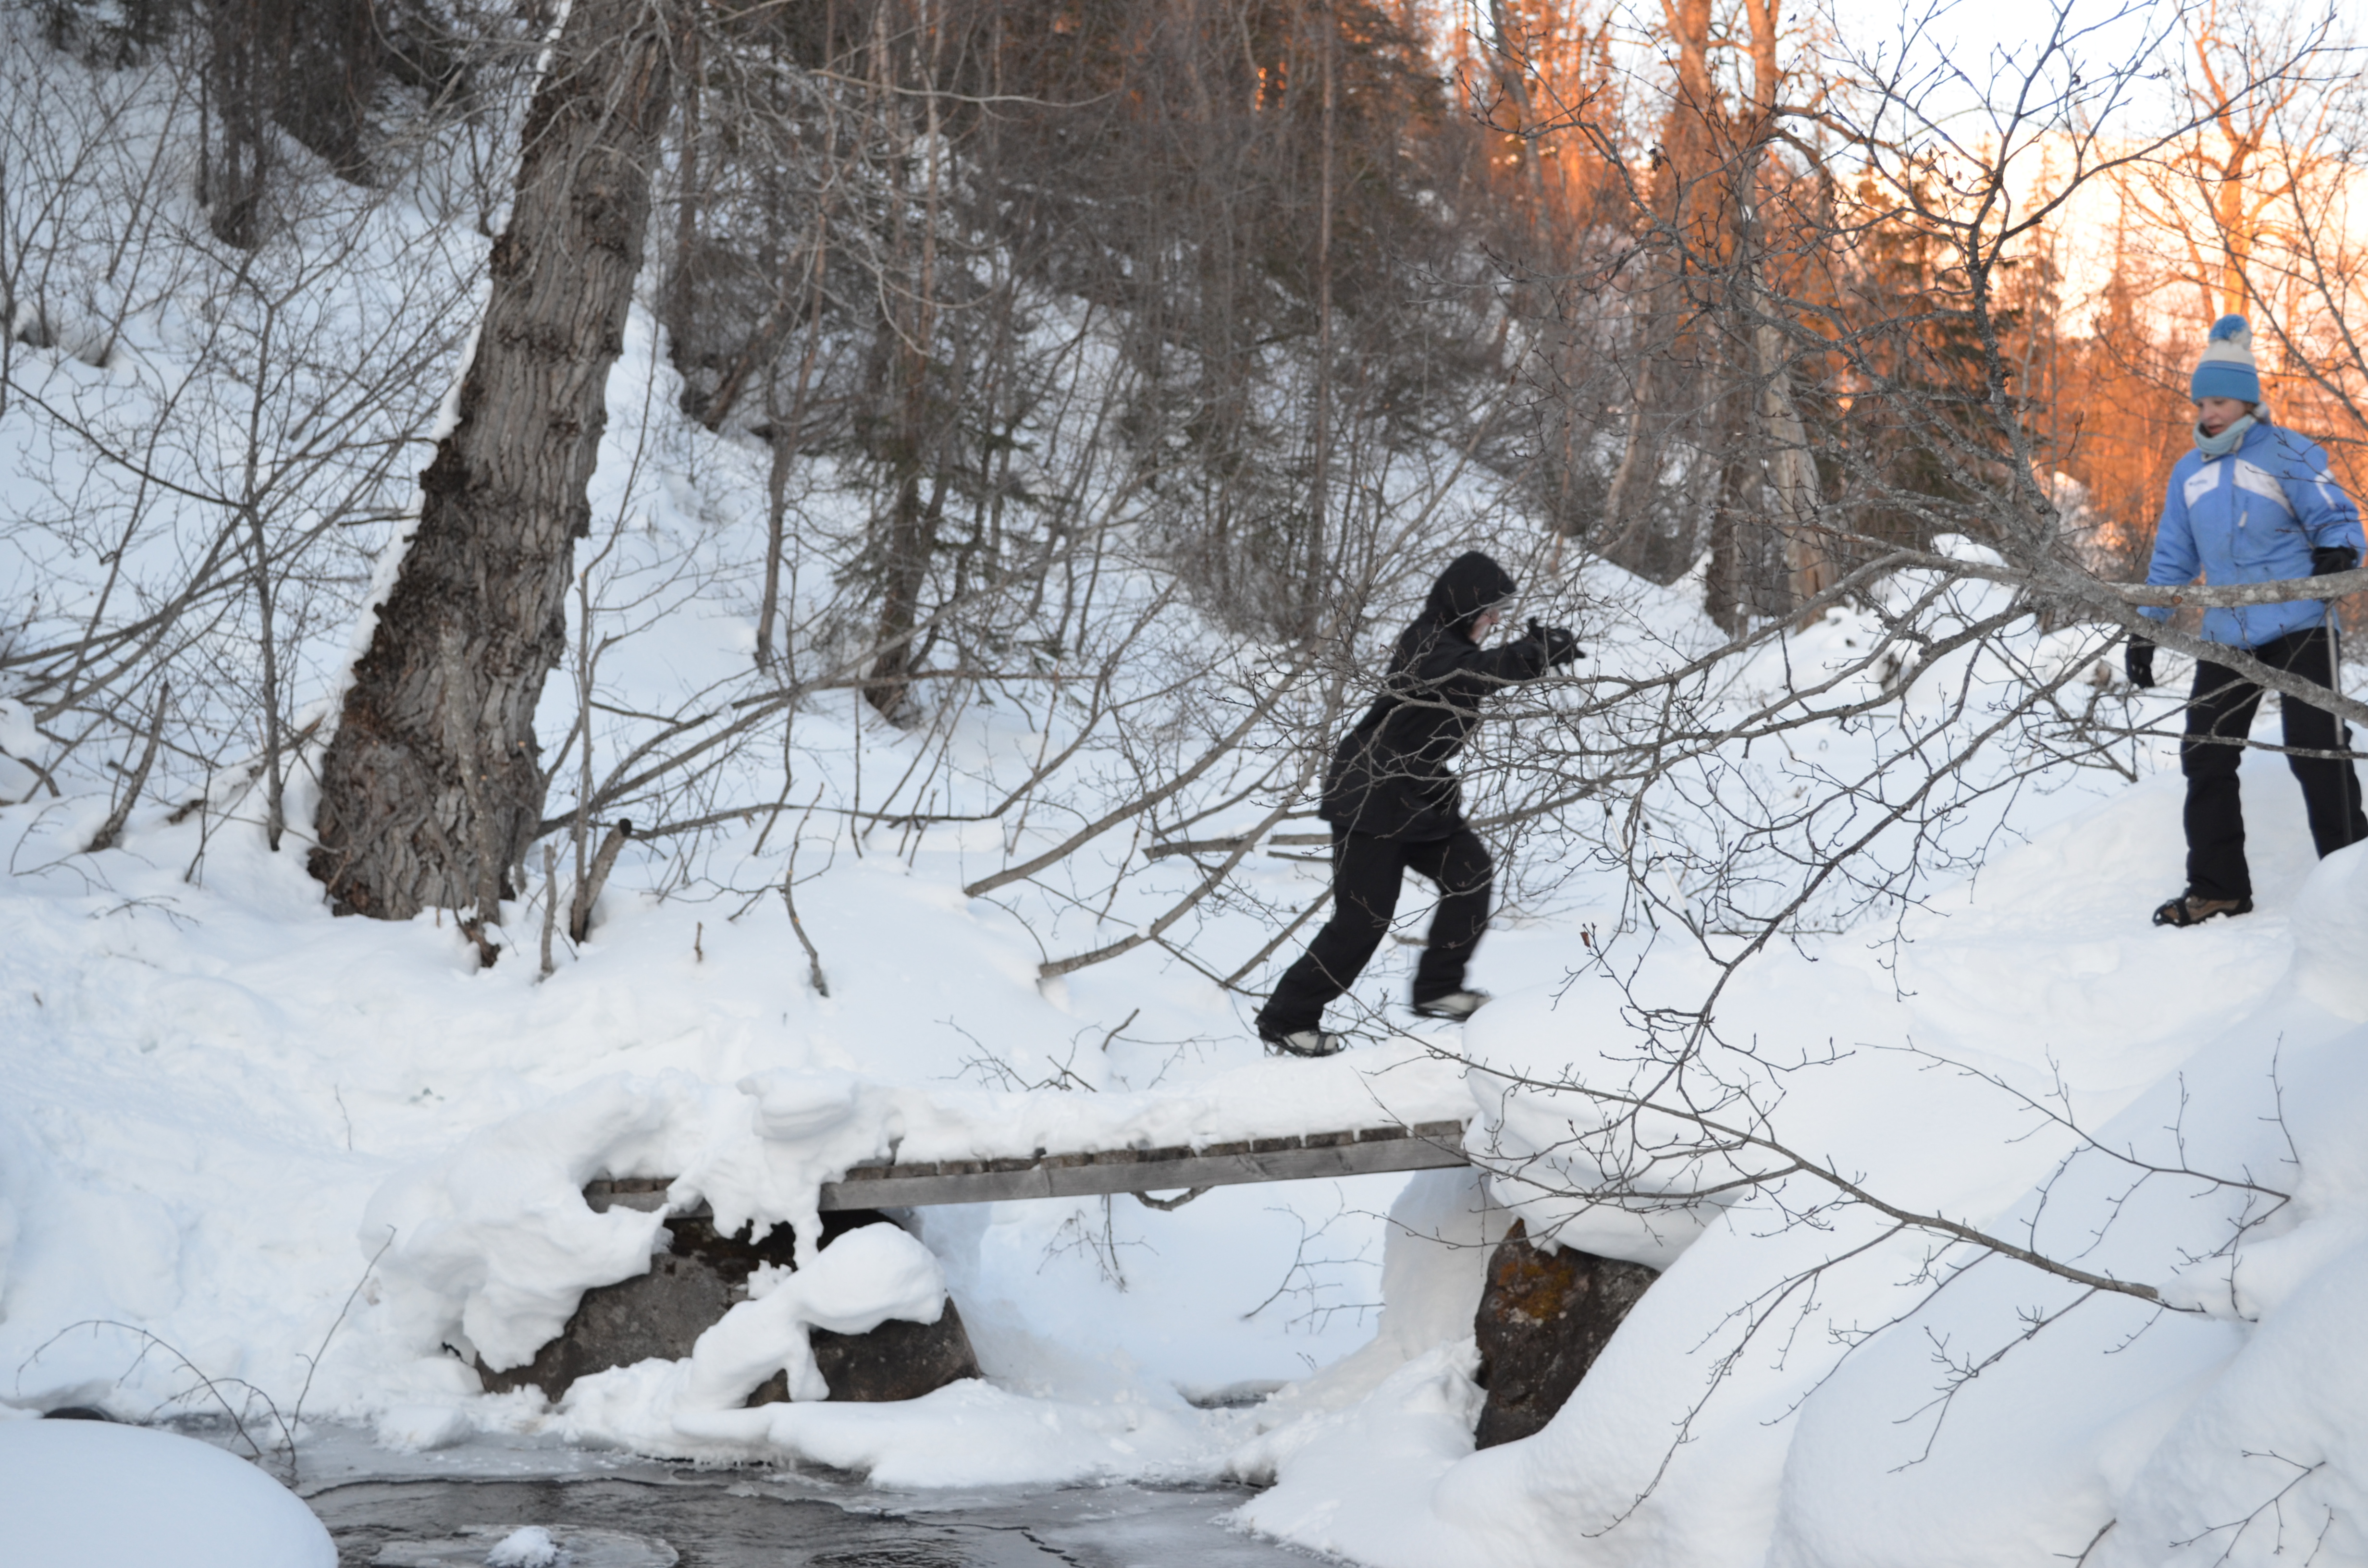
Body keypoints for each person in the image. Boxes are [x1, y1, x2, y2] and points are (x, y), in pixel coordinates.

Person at [1255, 551, 1581, 1055]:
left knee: (1469, 874)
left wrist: (1531, 654)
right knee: (1363, 919)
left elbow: (1479, 670)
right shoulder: (1426, 643)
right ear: (1465, 606)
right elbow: (1471, 674)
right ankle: (1287, 1019)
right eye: (1489, 611)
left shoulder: (1452, 643)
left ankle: (1438, 989)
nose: (1495, 621)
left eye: (1500, 612)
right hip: (1371, 791)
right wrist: (1532, 653)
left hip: (1418, 793)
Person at [2125, 314, 2367, 927]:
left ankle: (2353, 889)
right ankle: (2218, 889)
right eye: (2201, 403)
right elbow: (2172, 559)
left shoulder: (2286, 451)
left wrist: (2339, 552)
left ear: (2246, 400)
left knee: (2317, 751)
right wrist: (2146, 629)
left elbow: (2335, 515)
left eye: (2219, 401)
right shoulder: (2188, 471)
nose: (2208, 413)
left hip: (2299, 624)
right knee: (2206, 754)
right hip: (2226, 635)